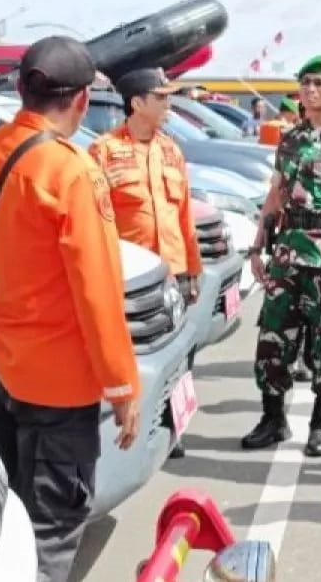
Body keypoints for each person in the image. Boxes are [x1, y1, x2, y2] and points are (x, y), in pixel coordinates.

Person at [0, 36, 140, 582]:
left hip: (2, 360)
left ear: (21, 90)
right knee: (53, 529)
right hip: (59, 382)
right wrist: (122, 386)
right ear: (82, 100)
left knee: (9, 517)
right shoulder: (71, 171)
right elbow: (97, 288)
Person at [88, 67, 202, 459]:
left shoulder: (171, 150)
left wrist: (193, 269)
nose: (168, 104)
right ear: (137, 103)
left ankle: (172, 426)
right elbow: (94, 218)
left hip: (171, 273)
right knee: (129, 354)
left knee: (178, 352)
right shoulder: (103, 151)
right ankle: (126, 425)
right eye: (161, 97)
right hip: (128, 279)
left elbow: (184, 215)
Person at [242, 54, 321, 456]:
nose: (310, 90)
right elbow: (276, 193)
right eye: (305, 83)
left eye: (319, 83)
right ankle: (273, 419)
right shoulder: (289, 139)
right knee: (272, 339)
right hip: (288, 252)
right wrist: (258, 246)